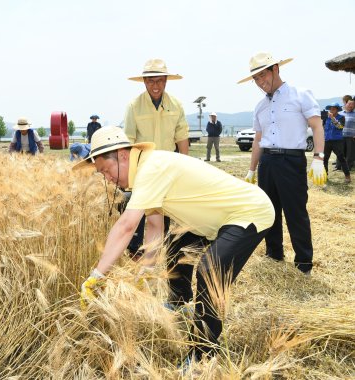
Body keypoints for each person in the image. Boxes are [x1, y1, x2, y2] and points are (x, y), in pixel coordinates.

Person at [74, 126, 275, 363]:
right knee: (177, 244)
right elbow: (155, 226)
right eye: (103, 175)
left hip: (249, 212)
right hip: (212, 220)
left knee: (210, 272)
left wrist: (96, 275)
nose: (108, 179)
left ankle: (204, 353)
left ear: (123, 155)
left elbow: (126, 226)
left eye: (107, 170)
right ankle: (179, 304)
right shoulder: (144, 171)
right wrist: (146, 270)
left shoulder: (151, 168)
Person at [238, 52, 326, 275]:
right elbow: (258, 140)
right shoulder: (259, 107)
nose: (260, 82)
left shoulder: (300, 95)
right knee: (270, 211)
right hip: (267, 162)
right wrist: (251, 169)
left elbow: (317, 126)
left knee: (296, 212)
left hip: (291, 161)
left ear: (275, 69)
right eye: (255, 79)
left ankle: (304, 263)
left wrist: (319, 158)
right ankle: (274, 254)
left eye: (262, 76)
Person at [122, 58, 190, 256]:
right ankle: (134, 250)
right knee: (138, 208)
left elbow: (182, 139)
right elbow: (129, 141)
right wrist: (129, 175)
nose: (155, 85)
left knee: (164, 208)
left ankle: (158, 249)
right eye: (151, 81)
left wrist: (184, 167)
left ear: (166, 80)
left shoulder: (176, 105)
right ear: (144, 82)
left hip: (168, 166)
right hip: (142, 167)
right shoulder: (134, 106)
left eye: (159, 80)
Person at [323, 103, 351, 183]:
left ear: (337, 110)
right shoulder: (326, 118)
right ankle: (325, 175)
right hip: (327, 141)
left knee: (341, 158)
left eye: (333, 109)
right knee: (325, 158)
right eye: (330, 109)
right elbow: (323, 128)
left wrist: (333, 118)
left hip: (337, 141)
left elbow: (340, 127)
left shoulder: (342, 117)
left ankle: (347, 175)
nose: (331, 110)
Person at [341, 98, 355, 170]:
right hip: (341, 136)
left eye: (353, 104)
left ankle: (348, 167)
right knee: (341, 152)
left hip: (351, 137)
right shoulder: (340, 113)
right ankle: (339, 166)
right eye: (349, 104)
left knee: (350, 153)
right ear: (346, 104)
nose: (351, 105)